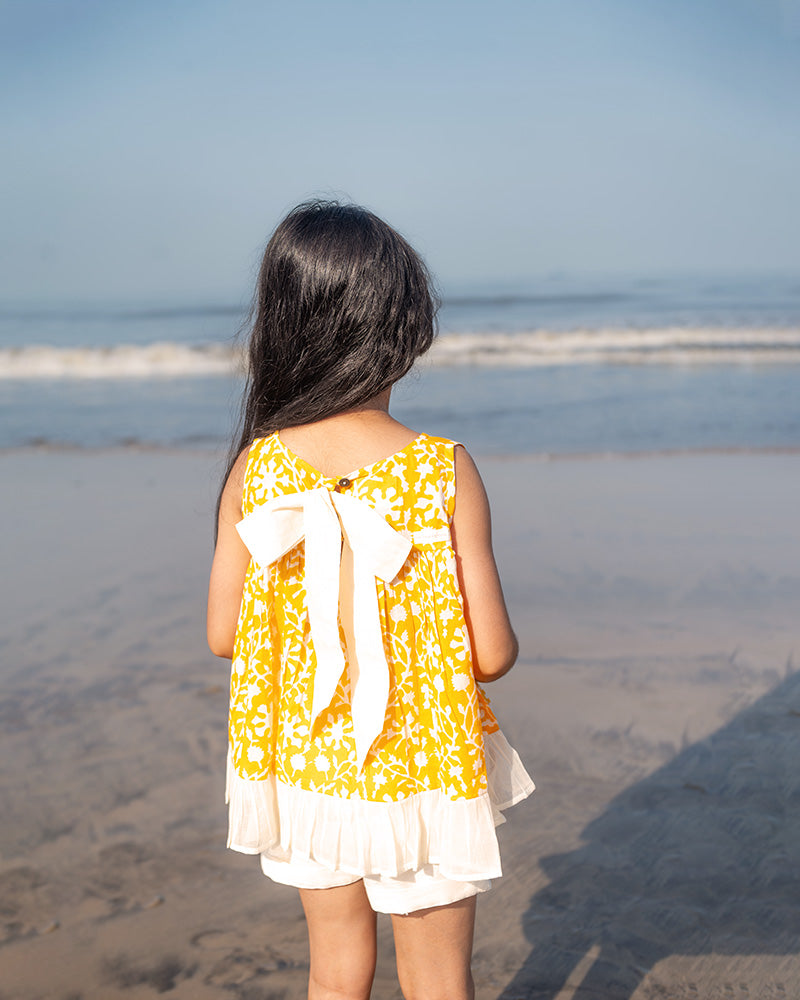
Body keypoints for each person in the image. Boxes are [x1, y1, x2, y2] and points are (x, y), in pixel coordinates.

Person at [207, 200, 534, 1000]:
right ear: (401, 335)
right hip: (421, 777)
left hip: (305, 769)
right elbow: (489, 656)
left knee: (334, 972)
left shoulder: (258, 471)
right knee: (437, 982)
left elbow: (223, 634)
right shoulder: (441, 469)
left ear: (282, 331)